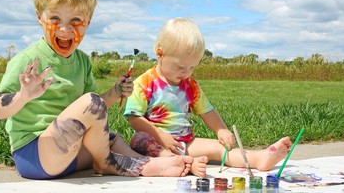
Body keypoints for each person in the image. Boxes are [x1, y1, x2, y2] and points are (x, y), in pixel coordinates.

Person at [0, 0, 193, 180]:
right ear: (39, 17)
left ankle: (143, 163)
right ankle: (108, 163)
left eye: (75, 20)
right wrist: (23, 96)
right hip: (35, 156)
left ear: (88, 22)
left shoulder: (81, 61)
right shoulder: (28, 60)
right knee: (92, 104)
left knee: (111, 138)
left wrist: (115, 92)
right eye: (55, 18)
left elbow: (92, 112)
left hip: (68, 153)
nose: (65, 29)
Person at [124, 18, 293, 177]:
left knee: (220, 149)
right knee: (140, 139)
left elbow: (207, 111)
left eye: (192, 67)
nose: (186, 73)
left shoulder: (190, 85)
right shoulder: (144, 83)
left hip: (186, 143)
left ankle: (258, 159)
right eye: (181, 67)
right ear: (160, 53)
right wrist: (160, 136)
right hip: (154, 143)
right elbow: (134, 118)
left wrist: (221, 129)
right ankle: (182, 164)